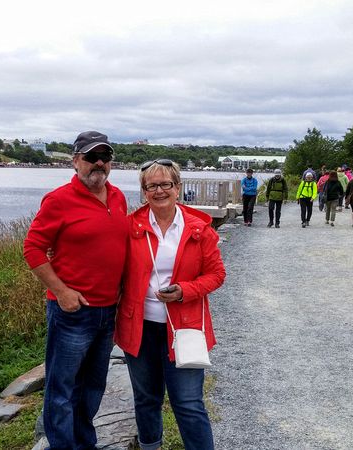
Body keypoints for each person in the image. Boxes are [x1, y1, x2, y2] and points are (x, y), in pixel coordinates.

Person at [22, 130, 129, 450]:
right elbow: (33, 249)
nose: (99, 163)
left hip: (108, 312)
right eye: (91, 157)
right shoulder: (58, 200)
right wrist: (62, 292)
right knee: (62, 389)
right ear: (75, 161)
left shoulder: (119, 197)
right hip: (72, 312)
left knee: (93, 387)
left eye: (105, 157)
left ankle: (84, 443)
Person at [115, 159, 225, 450]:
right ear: (144, 191)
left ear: (178, 188)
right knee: (146, 399)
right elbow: (108, 263)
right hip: (139, 327)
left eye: (166, 184)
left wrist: (184, 291)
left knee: (188, 403)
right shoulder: (129, 227)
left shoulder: (199, 229)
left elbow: (217, 275)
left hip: (184, 327)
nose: (159, 190)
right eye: (152, 186)